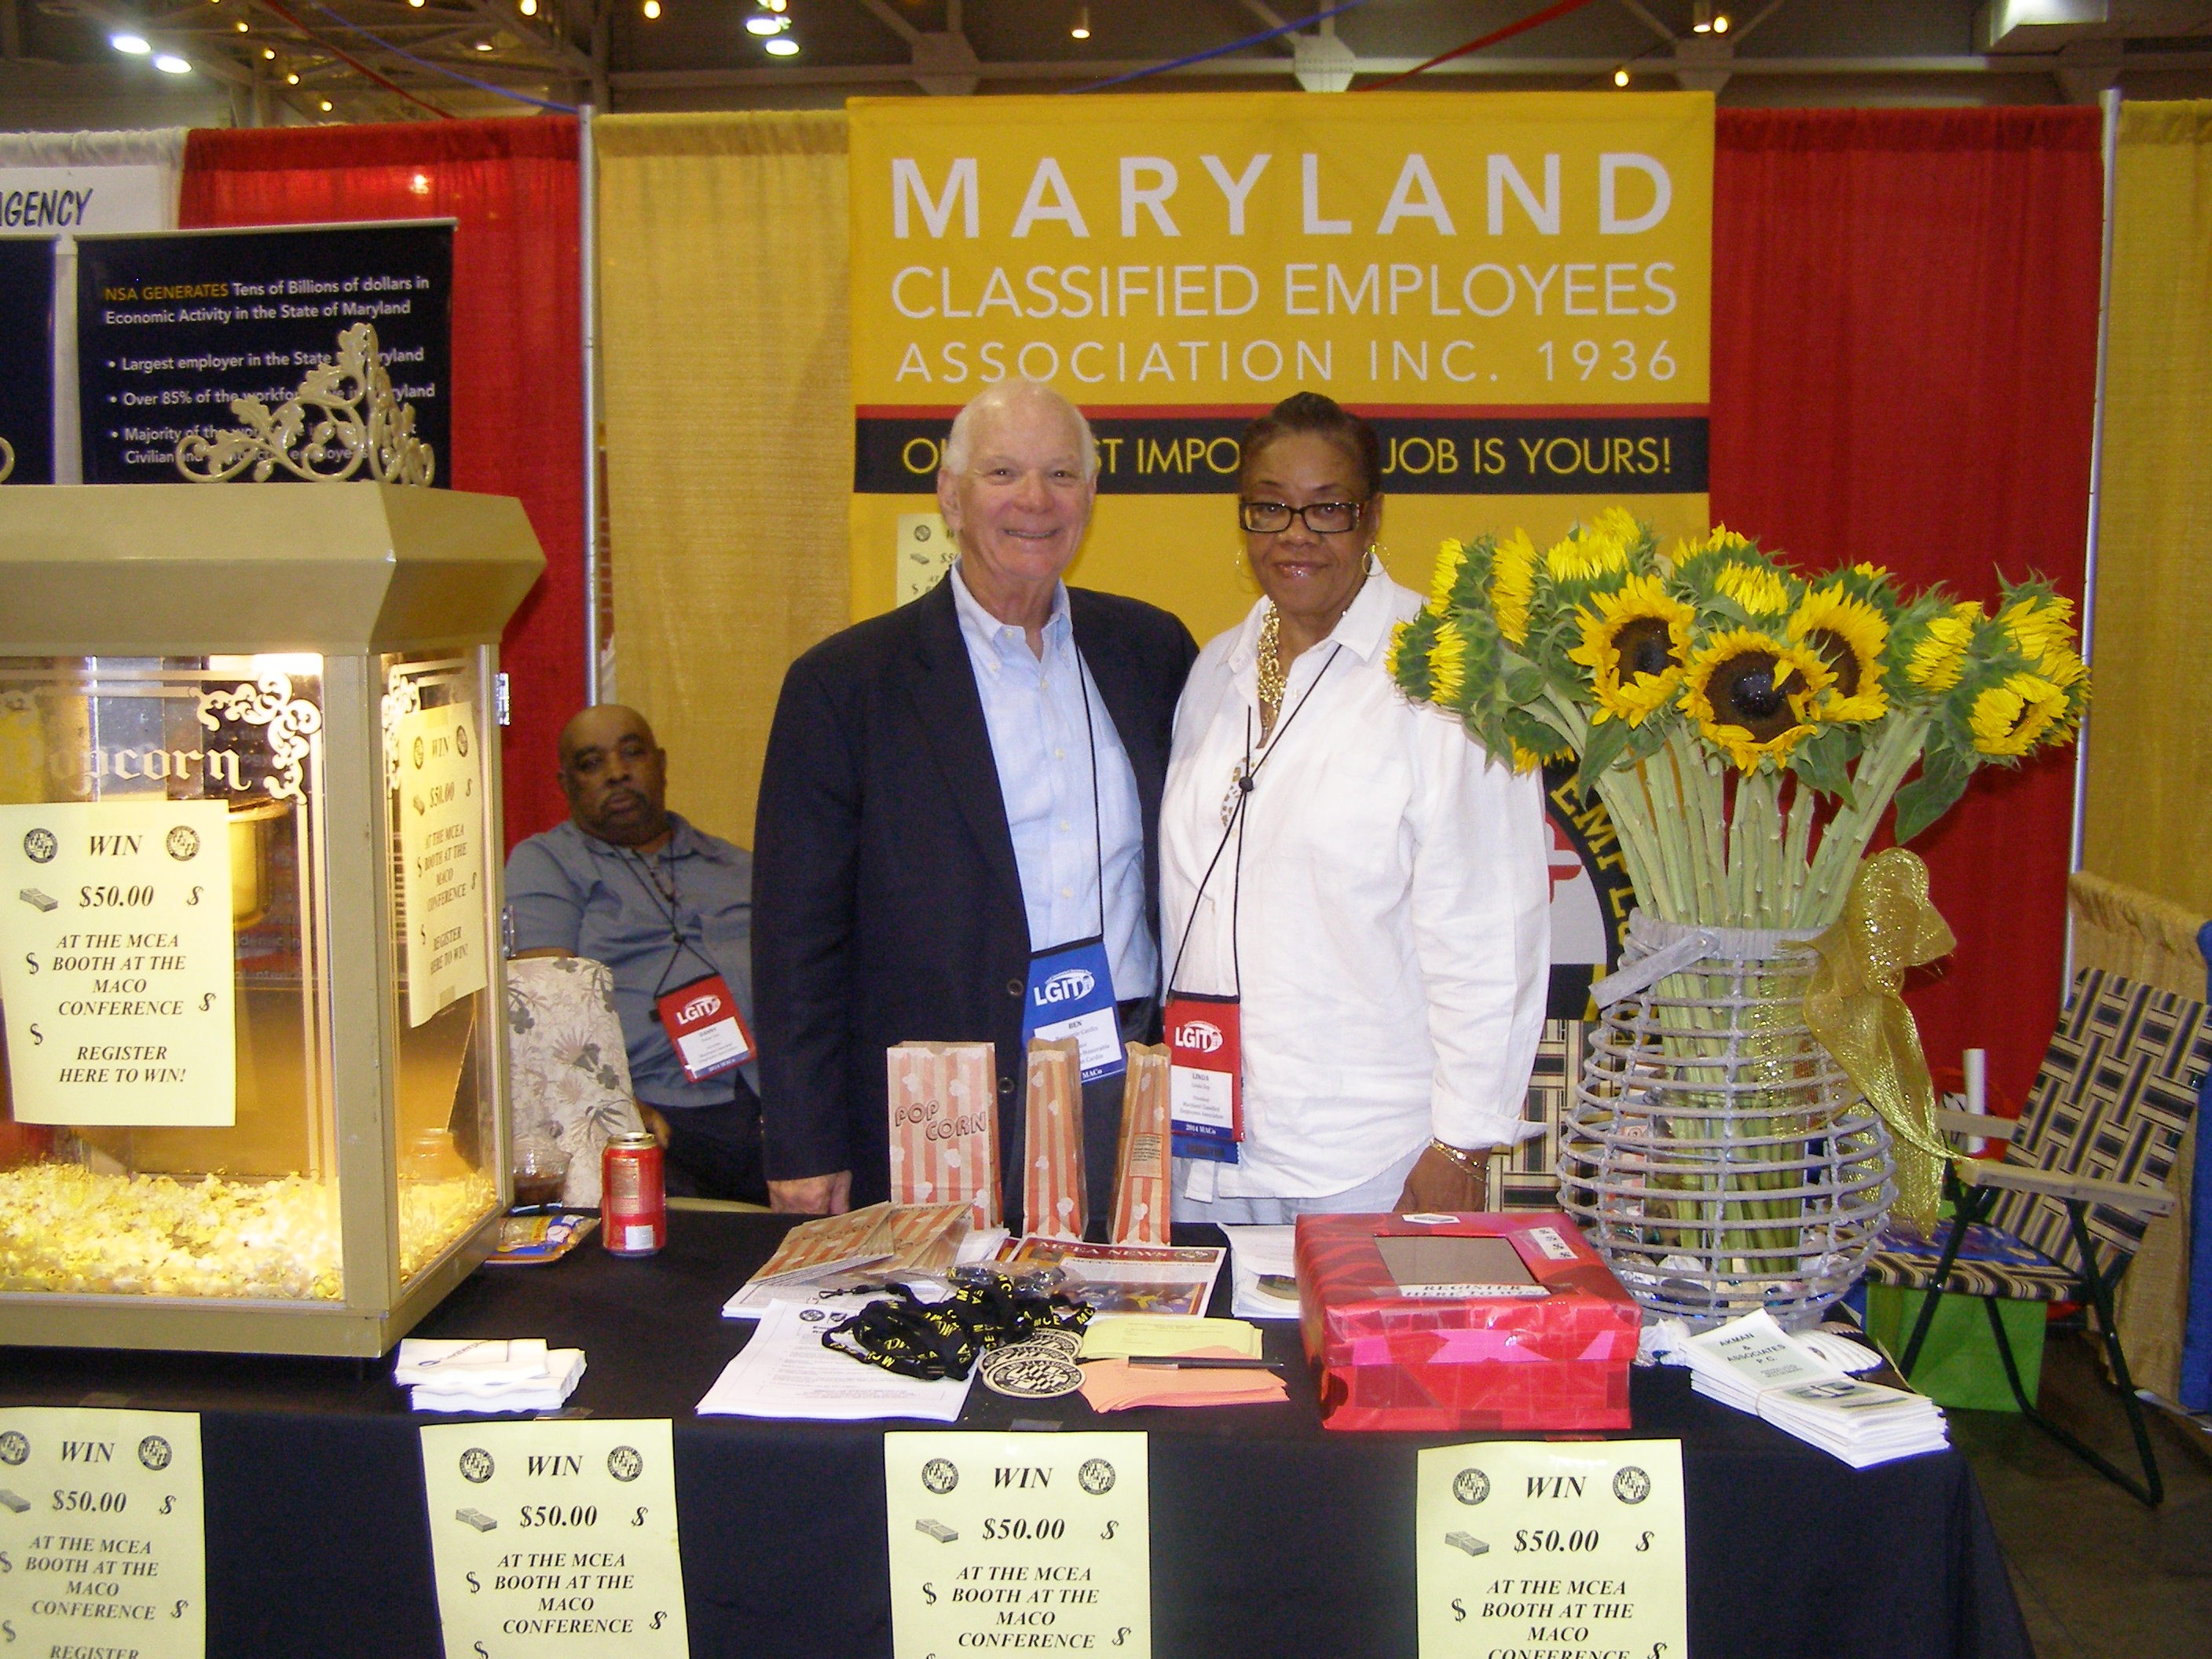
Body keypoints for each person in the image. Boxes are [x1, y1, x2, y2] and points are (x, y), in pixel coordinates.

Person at [753, 380, 1199, 1224]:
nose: (1034, 500)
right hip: (939, 1102)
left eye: (1060, 475)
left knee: (1123, 1304)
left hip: (1123, 1077)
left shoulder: (1151, 651)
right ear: (950, 496)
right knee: (942, 1307)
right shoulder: (845, 686)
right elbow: (795, 938)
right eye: (1002, 473)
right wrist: (804, 1142)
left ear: (1090, 496)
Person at [1159, 392, 1550, 1222]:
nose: (1295, 534)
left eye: (1326, 508)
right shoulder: (1214, 671)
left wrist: (1462, 1144)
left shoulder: (1446, 678)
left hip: (1371, 1160)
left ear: (1371, 517)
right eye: (1270, 507)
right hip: (1207, 1145)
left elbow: (1491, 931)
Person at [505, 704, 767, 1203]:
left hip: (768, 1098)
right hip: (653, 1111)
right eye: (592, 763)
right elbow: (544, 1011)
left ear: (661, 765)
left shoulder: (737, 867)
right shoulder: (548, 864)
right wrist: (617, 1106)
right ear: (566, 785)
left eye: (632, 753)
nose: (617, 773)